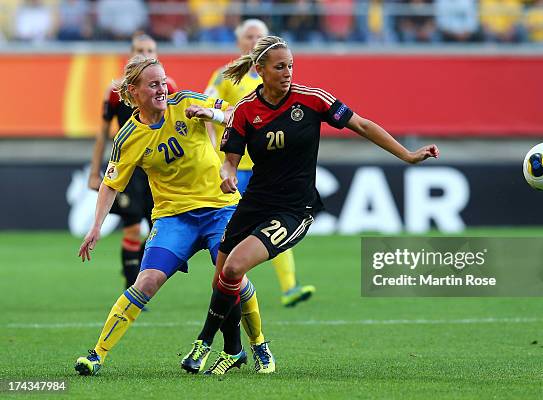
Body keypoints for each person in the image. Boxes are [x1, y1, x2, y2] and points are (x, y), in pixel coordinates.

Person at [187, 35, 440, 375]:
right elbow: (230, 160)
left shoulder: (312, 99)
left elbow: (362, 124)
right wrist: (227, 174)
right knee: (222, 277)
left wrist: (408, 156)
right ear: (260, 70)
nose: (288, 72)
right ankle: (251, 347)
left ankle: (203, 342)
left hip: (294, 209)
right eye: (279, 67)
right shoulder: (246, 110)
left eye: (291, 65)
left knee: (233, 269)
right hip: (255, 203)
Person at [75, 55, 274, 376]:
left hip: (219, 208)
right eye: (153, 84)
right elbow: (111, 184)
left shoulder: (187, 102)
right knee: (147, 281)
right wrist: (96, 227)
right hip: (173, 218)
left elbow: (237, 114)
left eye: (163, 82)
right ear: (134, 92)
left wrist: (209, 112)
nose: (162, 89)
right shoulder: (127, 137)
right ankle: (96, 355)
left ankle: (260, 345)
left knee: (231, 275)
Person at [204, 18, 315, 308]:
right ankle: (225, 284)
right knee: (231, 232)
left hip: (268, 170)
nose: (254, 41)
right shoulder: (226, 78)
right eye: (249, 36)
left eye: (260, 37)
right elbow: (208, 108)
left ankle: (289, 286)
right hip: (237, 167)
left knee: (277, 222)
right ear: (239, 42)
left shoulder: (280, 82)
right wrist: (218, 152)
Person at [89, 34, 177, 297]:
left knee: (157, 229)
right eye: (140, 50)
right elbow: (103, 132)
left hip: (156, 168)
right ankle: (131, 288)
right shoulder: (116, 91)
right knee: (131, 226)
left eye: (150, 50)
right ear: (130, 54)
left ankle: (138, 273)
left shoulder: (168, 87)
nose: (145, 54)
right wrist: (95, 172)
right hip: (129, 170)